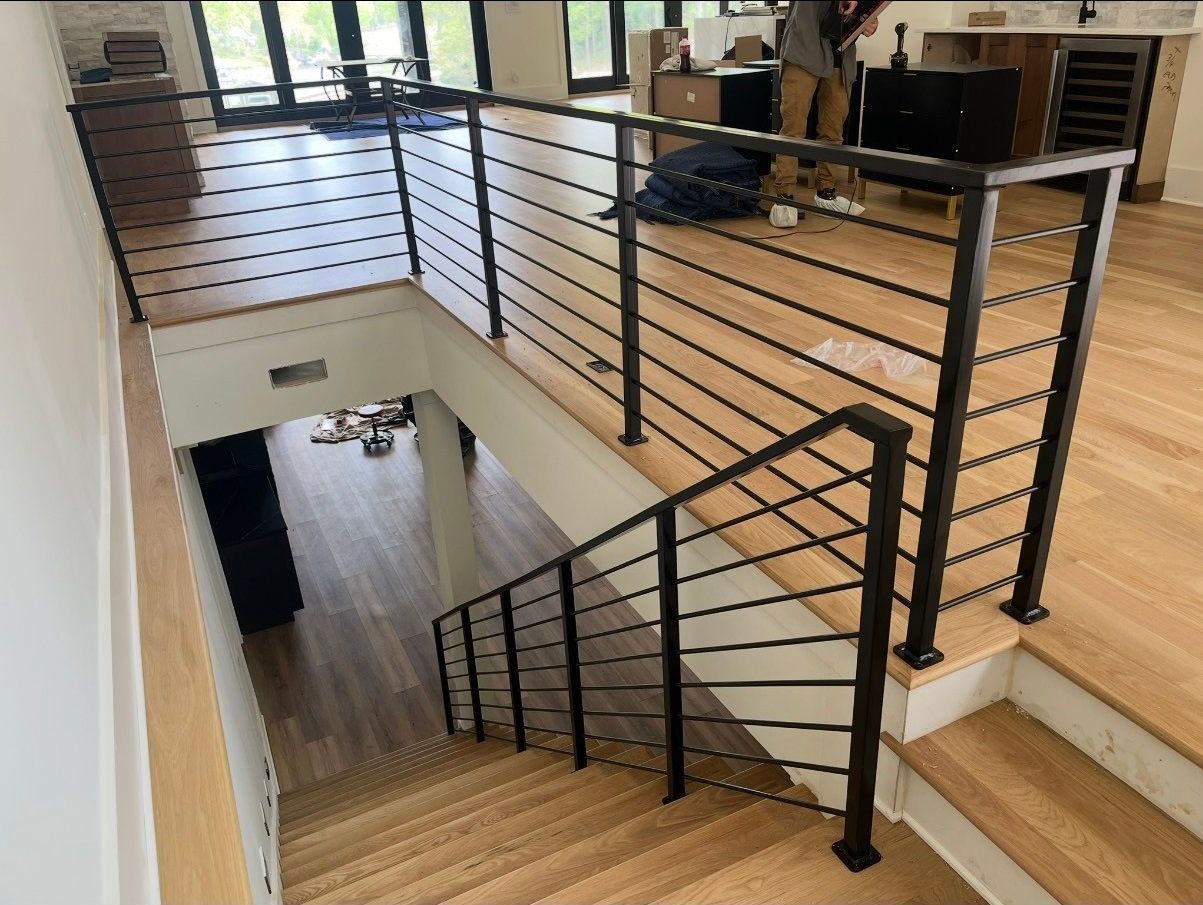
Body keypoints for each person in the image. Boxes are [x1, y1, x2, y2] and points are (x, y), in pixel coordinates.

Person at [773, 1, 878, 220]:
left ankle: (826, 191)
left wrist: (868, 20)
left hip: (841, 53)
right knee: (793, 128)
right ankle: (784, 195)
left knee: (833, 128)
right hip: (804, 47)